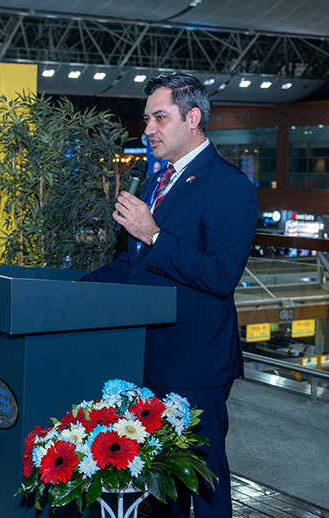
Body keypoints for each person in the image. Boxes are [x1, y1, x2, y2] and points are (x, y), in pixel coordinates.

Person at [83, 73, 259, 517]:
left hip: (195, 363)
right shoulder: (159, 182)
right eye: (147, 119)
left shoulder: (228, 185)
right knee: (162, 483)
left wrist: (154, 233)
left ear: (193, 118)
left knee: (204, 483)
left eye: (159, 118)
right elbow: (134, 264)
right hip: (148, 356)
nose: (148, 129)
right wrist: (70, 292)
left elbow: (221, 275)